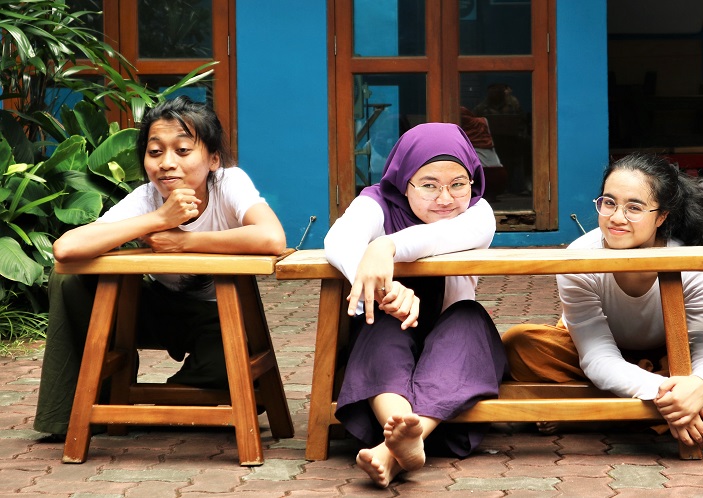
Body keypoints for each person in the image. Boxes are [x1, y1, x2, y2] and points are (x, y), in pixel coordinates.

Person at [34, 96, 286, 439]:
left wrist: (184, 242)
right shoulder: (146, 198)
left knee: (227, 369)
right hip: (155, 308)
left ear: (213, 159)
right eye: (155, 152)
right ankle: (86, 404)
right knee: (69, 281)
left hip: (216, 315)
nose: (167, 163)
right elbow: (66, 249)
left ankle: (154, 406)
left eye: (182, 151)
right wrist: (157, 218)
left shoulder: (228, 183)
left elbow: (272, 238)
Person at [502, 153, 703, 449]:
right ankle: (676, 410)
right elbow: (596, 355)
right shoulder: (578, 256)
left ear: (662, 216)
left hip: (672, 358)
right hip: (598, 359)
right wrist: (664, 390)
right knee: (520, 343)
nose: (617, 218)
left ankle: (585, 413)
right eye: (609, 203)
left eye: (634, 207)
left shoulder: (690, 259)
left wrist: (699, 384)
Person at [323, 122, 504, 487]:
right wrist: (388, 292)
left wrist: (385, 247)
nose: (445, 198)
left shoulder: (478, 213)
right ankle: (402, 428)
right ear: (404, 181)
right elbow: (339, 240)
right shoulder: (374, 203)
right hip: (390, 338)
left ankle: (396, 449)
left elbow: (442, 235)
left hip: (452, 347)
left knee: (469, 319)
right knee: (382, 325)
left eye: (458, 183)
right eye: (429, 184)